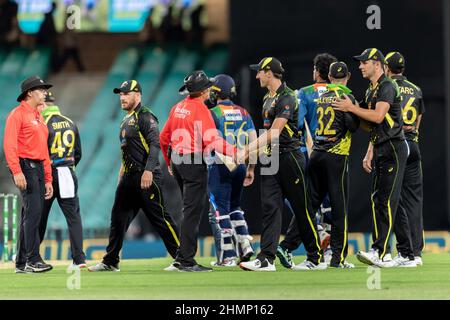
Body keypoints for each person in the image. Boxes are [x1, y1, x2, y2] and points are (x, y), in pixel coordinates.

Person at [239, 57, 325, 271]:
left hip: (289, 157)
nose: (257, 75)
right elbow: (268, 136)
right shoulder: (268, 98)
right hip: (271, 157)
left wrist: (246, 150)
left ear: (269, 73)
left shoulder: (288, 97)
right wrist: (252, 164)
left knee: (302, 209)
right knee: (270, 208)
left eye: (259, 71)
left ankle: (315, 258)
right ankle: (266, 259)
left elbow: (275, 132)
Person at [88, 80, 180, 272]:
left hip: (146, 176)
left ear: (137, 95)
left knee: (160, 219)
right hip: (129, 178)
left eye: (126, 94)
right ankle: (111, 261)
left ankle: (183, 258)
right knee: (118, 219)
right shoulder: (126, 119)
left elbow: (155, 145)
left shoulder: (145, 116)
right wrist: (121, 173)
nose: (122, 97)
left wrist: (148, 171)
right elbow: (128, 150)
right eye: (120, 94)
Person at [333, 48, 412, 267]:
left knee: (386, 200)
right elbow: (370, 125)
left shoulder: (387, 85)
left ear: (377, 64)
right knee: (381, 199)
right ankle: (404, 254)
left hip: (394, 147)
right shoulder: (370, 90)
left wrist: (351, 107)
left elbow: (378, 115)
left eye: (364, 62)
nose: (360, 66)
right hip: (381, 146)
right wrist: (353, 113)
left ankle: (381, 251)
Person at [160, 70, 237, 272]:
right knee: (192, 212)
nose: (211, 90)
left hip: (177, 160)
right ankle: (185, 260)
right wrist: (234, 152)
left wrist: (169, 162)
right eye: (209, 87)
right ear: (204, 91)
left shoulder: (178, 107)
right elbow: (212, 139)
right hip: (193, 162)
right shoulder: (201, 110)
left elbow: (163, 137)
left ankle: (180, 257)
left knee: (188, 210)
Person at [277, 53, 337, 268]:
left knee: (300, 199)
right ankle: (330, 252)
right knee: (332, 202)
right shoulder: (340, 93)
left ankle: (314, 236)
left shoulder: (304, 93)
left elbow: (298, 124)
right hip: (337, 154)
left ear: (317, 71)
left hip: (308, 152)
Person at [307, 61, 359, 268]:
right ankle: (337, 257)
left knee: (310, 204)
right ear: (348, 76)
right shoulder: (346, 96)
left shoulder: (322, 96)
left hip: (317, 154)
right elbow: (352, 126)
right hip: (335, 156)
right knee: (339, 209)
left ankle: (310, 255)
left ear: (328, 77)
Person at [3, 76, 54, 273]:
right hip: (26, 166)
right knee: (33, 214)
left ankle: (21, 263)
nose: (44, 93)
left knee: (30, 214)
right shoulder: (18, 114)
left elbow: (44, 151)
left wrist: (48, 178)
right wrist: (17, 171)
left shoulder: (38, 117)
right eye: (41, 90)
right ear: (29, 93)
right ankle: (33, 259)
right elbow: (9, 144)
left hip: (39, 168)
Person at [206, 74, 256, 267]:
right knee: (235, 207)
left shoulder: (213, 113)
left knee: (221, 210)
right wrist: (250, 168)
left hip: (220, 165)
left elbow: (211, 141)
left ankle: (227, 256)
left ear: (216, 92)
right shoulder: (244, 113)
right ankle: (245, 244)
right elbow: (253, 142)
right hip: (241, 165)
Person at [385, 52, 425, 266]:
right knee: (414, 200)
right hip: (414, 144)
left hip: (397, 144)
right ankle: (416, 253)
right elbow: (418, 120)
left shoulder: (387, 87)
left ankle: (404, 251)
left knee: (393, 198)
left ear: (387, 68)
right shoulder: (416, 89)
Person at [39, 92, 86, 268]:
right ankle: (79, 259)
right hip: (68, 172)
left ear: (43, 104)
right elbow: (78, 153)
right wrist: (68, 168)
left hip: (47, 176)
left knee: (39, 217)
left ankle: (32, 257)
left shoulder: (41, 123)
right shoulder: (70, 122)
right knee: (73, 217)